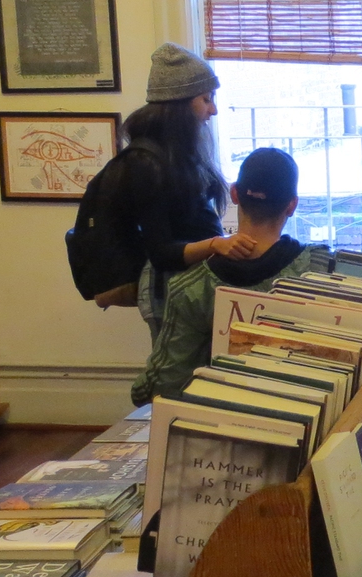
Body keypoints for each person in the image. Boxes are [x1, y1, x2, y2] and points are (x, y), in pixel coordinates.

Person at [131, 147, 324, 405]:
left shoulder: (190, 288)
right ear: (292, 205)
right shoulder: (321, 272)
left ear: (234, 194)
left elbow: (161, 383)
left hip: (222, 420)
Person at [111, 43, 245, 335]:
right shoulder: (147, 163)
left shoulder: (179, 156)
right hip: (168, 293)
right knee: (175, 380)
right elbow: (162, 252)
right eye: (206, 99)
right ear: (180, 103)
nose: (214, 110)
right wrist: (215, 244)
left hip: (187, 287)